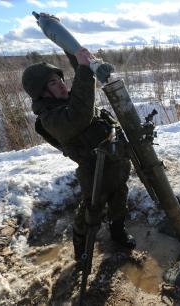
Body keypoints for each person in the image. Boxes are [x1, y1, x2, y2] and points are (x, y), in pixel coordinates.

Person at [21, 47, 136, 267]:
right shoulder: (50, 118)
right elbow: (80, 115)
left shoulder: (69, 100)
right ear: (41, 92)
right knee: (90, 213)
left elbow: (81, 95)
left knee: (120, 197)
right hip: (93, 172)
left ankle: (118, 232)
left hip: (114, 161)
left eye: (59, 80)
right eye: (53, 83)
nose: (62, 84)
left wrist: (79, 57)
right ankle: (82, 253)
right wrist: (84, 70)